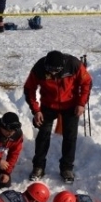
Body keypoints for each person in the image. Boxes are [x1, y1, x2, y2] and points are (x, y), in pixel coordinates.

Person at [24, 50, 92, 183]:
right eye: (50, 70)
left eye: (56, 71)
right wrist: (36, 110)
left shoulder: (74, 64)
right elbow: (29, 89)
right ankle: (38, 166)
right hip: (48, 105)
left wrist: (81, 103)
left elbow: (86, 83)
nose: (53, 73)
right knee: (43, 135)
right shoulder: (39, 67)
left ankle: (66, 168)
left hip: (71, 105)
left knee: (70, 137)